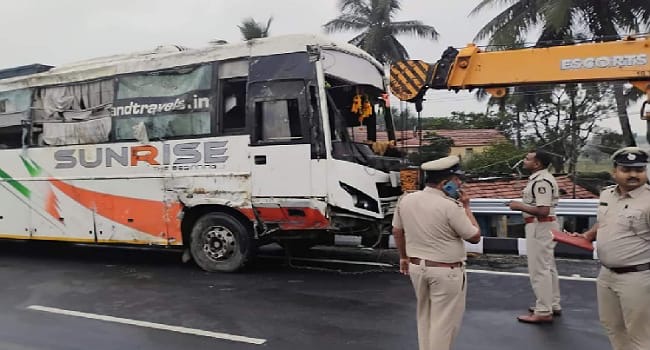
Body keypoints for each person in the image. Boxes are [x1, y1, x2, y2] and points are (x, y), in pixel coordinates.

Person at [392, 155, 481, 350]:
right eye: (456, 180)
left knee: (424, 317)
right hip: (445, 271)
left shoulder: (406, 199)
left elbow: (397, 231)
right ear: (444, 183)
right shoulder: (451, 206)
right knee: (444, 323)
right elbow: (474, 236)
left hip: (417, 267)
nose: (459, 184)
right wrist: (467, 207)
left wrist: (404, 257)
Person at [570, 147, 650, 350]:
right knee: (613, 326)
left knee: (640, 334)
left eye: (639, 170)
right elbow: (607, 220)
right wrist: (588, 235)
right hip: (606, 274)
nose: (633, 174)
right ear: (614, 171)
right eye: (626, 169)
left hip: (638, 278)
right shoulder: (607, 194)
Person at [509, 149, 562, 323]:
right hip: (544, 225)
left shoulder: (542, 181)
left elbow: (542, 210)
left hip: (540, 226)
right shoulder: (540, 179)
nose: (524, 161)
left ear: (537, 163)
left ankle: (543, 311)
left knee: (539, 269)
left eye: (527, 159)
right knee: (548, 267)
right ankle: (551, 304)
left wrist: (519, 206)